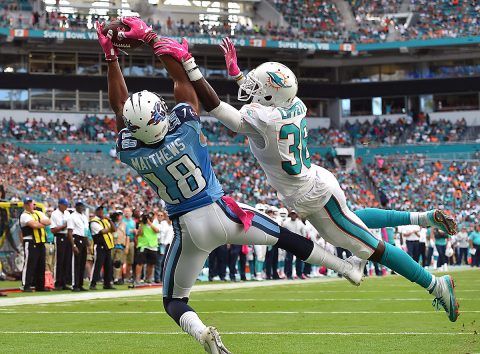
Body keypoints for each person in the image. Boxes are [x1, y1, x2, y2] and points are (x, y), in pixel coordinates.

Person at [98, 17, 365, 353]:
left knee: (174, 301)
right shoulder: (184, 128)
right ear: (162, 115)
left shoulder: (130, 150)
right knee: (287, 238)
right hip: (225, 213)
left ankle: (204, 336)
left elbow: (120, 110)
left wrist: (111, 59)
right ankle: (345, 268)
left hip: (188, 228)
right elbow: (181, 81)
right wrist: (153, 40)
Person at [155, 36, 460, 322]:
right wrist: (238, 76)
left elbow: (218, 109)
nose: (251, 89)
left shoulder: (267, 120)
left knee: (372, 248)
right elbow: (264, 100)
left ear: (271, 95)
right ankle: (423, 218)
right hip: (315, 181)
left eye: (257, 86)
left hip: (310, 195)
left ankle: (436, 285)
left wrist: (191, 67)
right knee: (350, 218)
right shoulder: (294, 105)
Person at [20, 197, 51, 292]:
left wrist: (39, 223)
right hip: (30, 241)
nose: (31, 205)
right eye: (28, 204)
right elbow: (34, 225)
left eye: (32, 203)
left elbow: (48, 221)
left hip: (40, 241)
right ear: (25, 205)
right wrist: (42, 223)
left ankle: (40, 285)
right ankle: (26, 285)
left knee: (41, 264)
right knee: (29, 264)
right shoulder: (24, 215)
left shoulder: (39, 213)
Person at [89, 206, 116, 290]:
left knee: (108, 265)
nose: (101, 212)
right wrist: (110, 229)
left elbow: (114, 229)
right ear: (96, 212)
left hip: (108, 246)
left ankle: (107, 283)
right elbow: (103, 231)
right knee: (98, 265)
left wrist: (110, 220)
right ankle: (92, 283)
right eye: (99, 211)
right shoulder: (94, 222)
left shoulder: (105, 220)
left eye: (102, 211)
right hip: (99, 246)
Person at [67, 201, 89, 292]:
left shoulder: (84, 217)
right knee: (75, 263)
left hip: (83, 238)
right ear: (76, 207)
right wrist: (73, 245)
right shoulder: (72, 217)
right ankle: (74, 284)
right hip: (76, 239)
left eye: (82, 206)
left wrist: (87, 240)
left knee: (82, 263)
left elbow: (85, 229)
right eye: (79, 206)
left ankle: (80, 284)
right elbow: (70, 232)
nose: (81, 208)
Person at [50, 198, 71, 290]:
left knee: (66, 260)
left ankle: (64, 282)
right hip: (59, 236)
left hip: (67, 236)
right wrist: (63, 226)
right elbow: (53, 229)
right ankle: (57, 282)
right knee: (59, 260)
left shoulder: (67, 213)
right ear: (60, 205)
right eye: (64, 205)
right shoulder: (54, 214)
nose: (66, 206)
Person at [111, 211, 128, 285]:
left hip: (120, 245)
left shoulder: (124, 225)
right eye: (117, 215)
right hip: (111, 245)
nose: (118, 217)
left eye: (120, 215)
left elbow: (127, 236)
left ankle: (116, 278)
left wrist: (126, 246)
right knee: (110, 262)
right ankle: (109, 277)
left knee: (118, 263)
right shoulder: (111, 223)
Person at [122, 207, 137, 281]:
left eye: (128, 211)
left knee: (130, 261)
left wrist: (134, 231)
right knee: (122, 261)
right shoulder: (121, 220)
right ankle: (121, 277)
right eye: (126, 211)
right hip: (123, 242)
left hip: (131, 241)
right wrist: (131, 230)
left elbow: (134, 231)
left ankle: (127, 277)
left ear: (131, 213)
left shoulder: (133, 221)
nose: (127, 213)